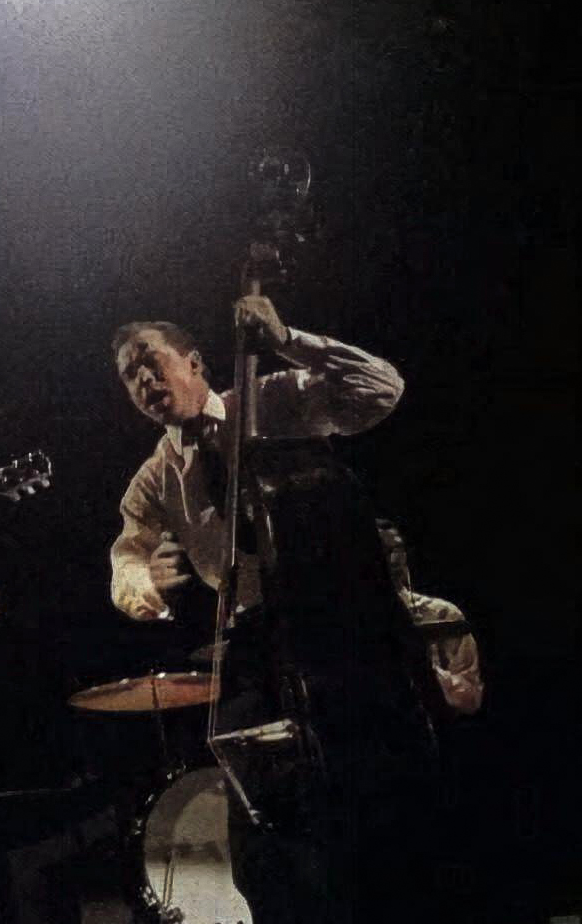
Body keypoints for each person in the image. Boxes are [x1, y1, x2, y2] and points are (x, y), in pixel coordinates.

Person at [107, 299, 438, 924]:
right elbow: (126, 554)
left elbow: (380, 390)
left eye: (151, 363)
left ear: (195, 362)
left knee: (377, 803)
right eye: (130, 376)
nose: (144, 382)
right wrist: (143, 583)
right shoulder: (154, 477)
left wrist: (288, 340)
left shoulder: (270, 400)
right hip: (253, 636)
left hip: (341, 621)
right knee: (258, 828)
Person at [377, 519, 485, 715]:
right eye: (384, 552)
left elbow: (470, 697)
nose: (394, 560)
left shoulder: (442, 615)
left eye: (397, 549)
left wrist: (428, 669)